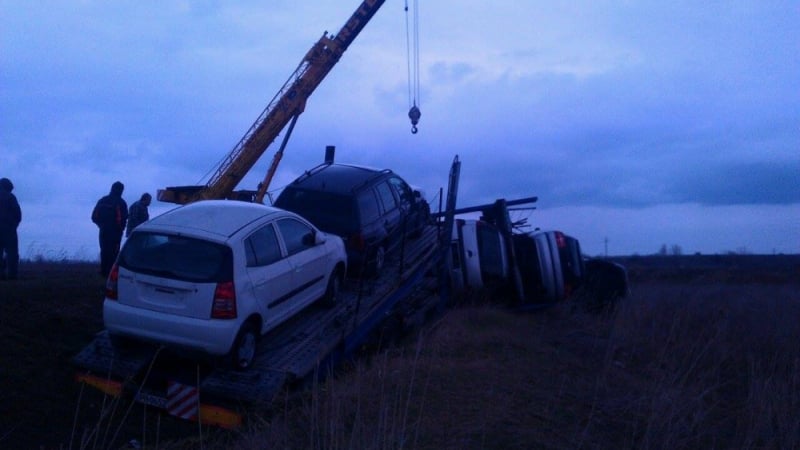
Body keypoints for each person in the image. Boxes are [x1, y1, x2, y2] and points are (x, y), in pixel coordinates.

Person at [92, 181, 128, 278]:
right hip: (116, 232)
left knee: (104, 250)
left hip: (104, 231)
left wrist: (101, 225)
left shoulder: (103, 200)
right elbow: (125, 218)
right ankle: (110, 273)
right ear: (121, 190)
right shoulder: (122, 203)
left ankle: (104, 272)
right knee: (114, 252)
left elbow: (94, 217)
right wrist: (121, 228)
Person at [0, 177, 22, 280]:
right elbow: (18, 214)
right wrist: (14, 226)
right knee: (12, 254)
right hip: (9, 230)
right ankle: (12, 275)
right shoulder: (11, 197)